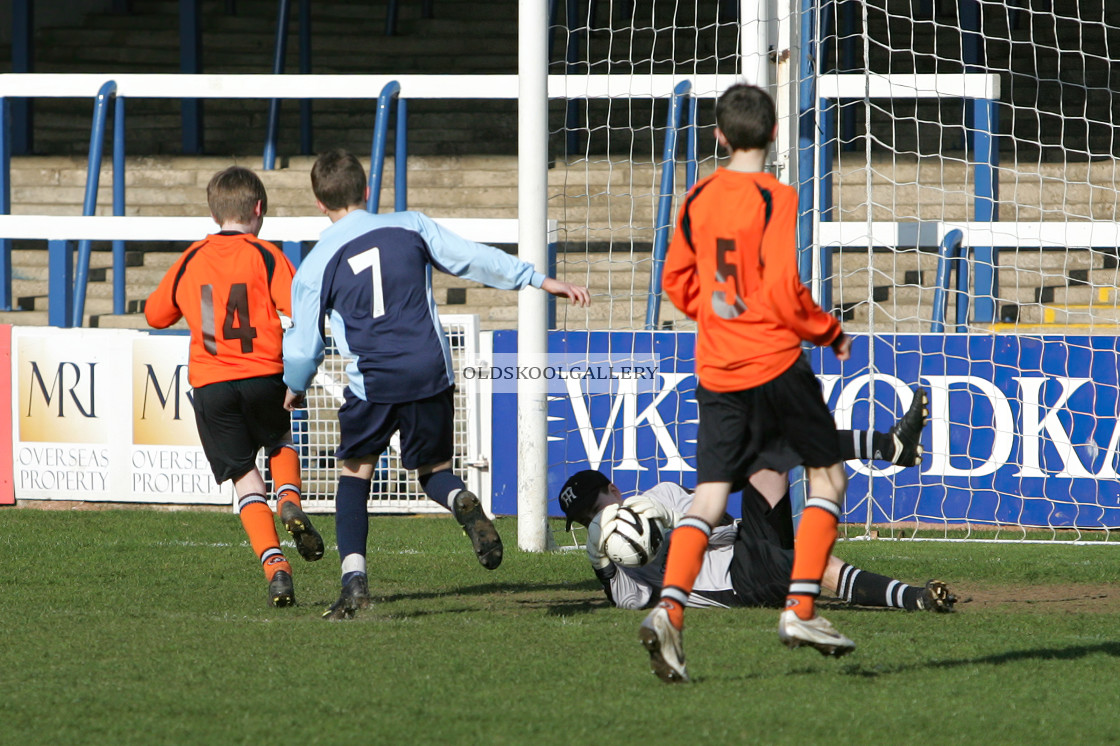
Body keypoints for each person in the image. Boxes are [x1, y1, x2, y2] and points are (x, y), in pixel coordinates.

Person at [282, 149, 591, 621]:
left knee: (354, 476)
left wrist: (294, 384)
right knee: (432, 470)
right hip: (430, 369)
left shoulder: (316, 262)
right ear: (367, 191)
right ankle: (460, 500)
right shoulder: (411, 225)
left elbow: (304, 348)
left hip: (373, 380)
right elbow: (472, 259)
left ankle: (353, 583)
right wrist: (536, 278)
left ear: (320, 203)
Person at [646, 82, 859, 683]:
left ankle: (669, 610)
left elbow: (675, 281)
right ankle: (800, 609)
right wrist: (829, 332)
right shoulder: (777, 198)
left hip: (716, 367)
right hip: (775, 363)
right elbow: (783, 292)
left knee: (710, 500)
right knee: (828, 476)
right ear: (772, 135)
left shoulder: (695, 197)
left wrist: (716, 315)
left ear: (718, 136)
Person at [560, 391, 956, 614]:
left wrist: (670, 521)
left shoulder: (659, 496)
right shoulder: (612, 559)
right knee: (814, 564)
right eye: (584, 521)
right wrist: (602, 566)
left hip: (746, 544)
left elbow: (723, 524)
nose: (596, 522)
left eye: (595, 509)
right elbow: (633, 602)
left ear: (614, 491)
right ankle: (916, 599)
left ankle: (891, 446)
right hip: (736, 583)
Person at [145, 165, 324, 609]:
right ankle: (290, 500)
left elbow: (155, 315)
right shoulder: (266, 255)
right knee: (279, 437)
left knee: (245, 480)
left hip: (212, 383)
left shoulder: (190, 259)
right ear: (258, 208)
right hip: (264, 373)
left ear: (213, 212)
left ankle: (276, 569)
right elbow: (299, 307)